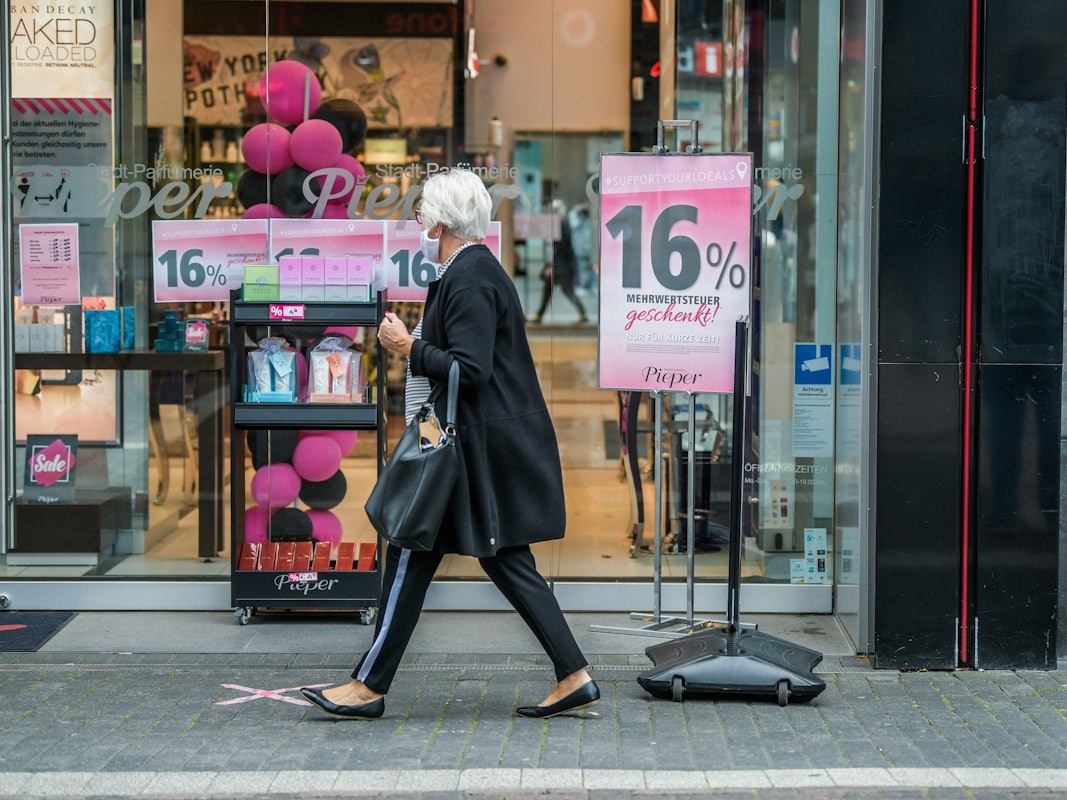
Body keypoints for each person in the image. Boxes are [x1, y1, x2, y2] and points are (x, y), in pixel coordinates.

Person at [300, 168, 600, 720]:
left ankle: (368, 686)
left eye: (421, 213)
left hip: (472, 446)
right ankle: (573, 672)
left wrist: (406, 346)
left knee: (418, 551)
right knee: (497, 557)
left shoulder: (468, 278)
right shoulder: (473, 271)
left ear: (439, 221)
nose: (416, 221)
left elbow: (472, 369)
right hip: (480, 444)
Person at [528, 200, 588, 325]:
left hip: (563, 266)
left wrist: (551, 266)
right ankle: (540, 314)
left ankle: (582, 313)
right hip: (561, 265)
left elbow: (560, 250)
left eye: (554, 211)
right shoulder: (558, 226)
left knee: (565, 289)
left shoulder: (561, 226)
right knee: (556, 289)